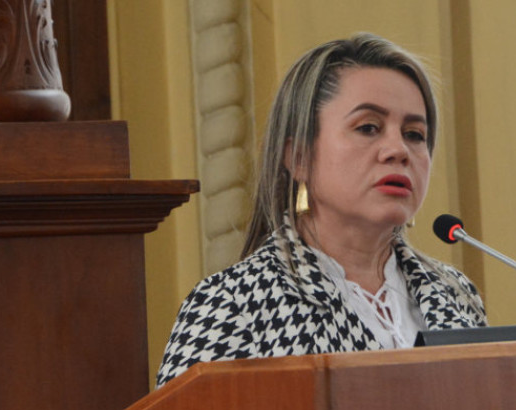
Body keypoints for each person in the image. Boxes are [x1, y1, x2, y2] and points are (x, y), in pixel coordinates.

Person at [156, 33, 486, 388]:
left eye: (415, 134)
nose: (398, 150)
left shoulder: (454, 292)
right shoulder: (232, 302)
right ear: (298, 158)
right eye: (369, 128)